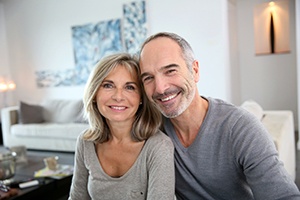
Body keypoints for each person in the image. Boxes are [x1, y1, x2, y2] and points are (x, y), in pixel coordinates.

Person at [138, 32, 300, 199]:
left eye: (170, 71)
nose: (160, 88)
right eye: (148, 78)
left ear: (194, 70)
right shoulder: (152, 129)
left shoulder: (242, 127)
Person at [68, 53, 175, 200]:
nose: (118, 97)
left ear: (141, 98)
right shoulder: (86, 142)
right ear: (94, 93)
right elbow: (77, 198)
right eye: (108, 85)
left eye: (130, 87)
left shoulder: (159, 146)